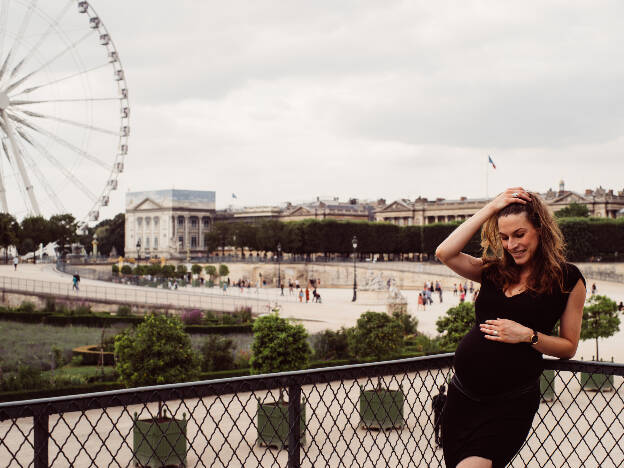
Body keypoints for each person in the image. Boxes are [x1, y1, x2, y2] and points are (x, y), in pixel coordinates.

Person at [435, 187, 586, 468]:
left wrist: (527, 335)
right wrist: (491, 208)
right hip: (462, 398)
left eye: (519, 234)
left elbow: (568, 347)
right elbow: (445, 252)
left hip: (508, 405)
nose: (511, 244)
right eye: (504, 237)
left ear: (540, 230)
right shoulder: (493, 271)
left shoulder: (568, 279)